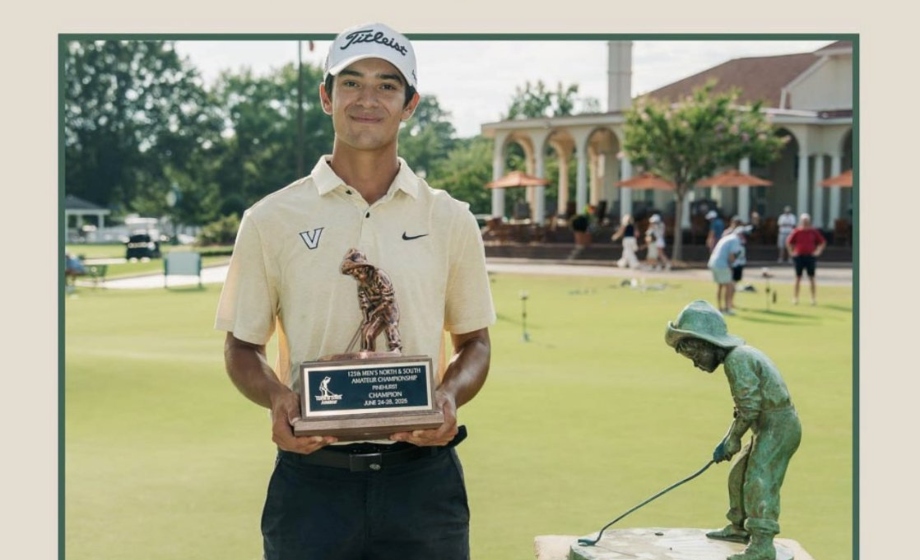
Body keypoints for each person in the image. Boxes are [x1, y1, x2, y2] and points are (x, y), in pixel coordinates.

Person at [214, 22, 496, 560]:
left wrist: (449, 395)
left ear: (410, 104)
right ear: (327, 96)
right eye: (351, 82)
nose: (368, 98)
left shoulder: (451, 218)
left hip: (423, 487)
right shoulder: (270, 218)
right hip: (311, 487)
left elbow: (475, 343)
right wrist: (277, 398)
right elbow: (241, 347)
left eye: (388, 85)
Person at [665, 300, 801, 560]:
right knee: (739, 474)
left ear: (707, 344)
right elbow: (744, 409)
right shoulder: (740, 355)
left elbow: (749, 408)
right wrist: (728, 439)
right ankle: (739, 528)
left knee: (759, 480)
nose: (696, 364)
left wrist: (734, 439)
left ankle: (762, 544)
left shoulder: (737, 360)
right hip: (769, 424)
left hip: (778, 427)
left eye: (695, 356)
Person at [785, 213, 827, 306]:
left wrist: (818, 252)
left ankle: (813, 298)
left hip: (810, 257)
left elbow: (822, 242)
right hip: (799, 256)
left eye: (806, 221)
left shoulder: (813, 232)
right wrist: (791, 252)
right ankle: (795, 298)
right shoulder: (797, 231)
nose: (805, 223)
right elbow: (788, 242)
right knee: (798, 277)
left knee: (811, 277)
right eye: (803, 221)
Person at [707, 228, 745, 315]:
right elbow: (731, 255)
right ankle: (727, 308)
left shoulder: (727, 238)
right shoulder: (735, 240)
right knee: (729, 286)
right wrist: (731, 266)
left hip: (714, 263)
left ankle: (720, 308)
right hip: (722, 264)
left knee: (720, 286)